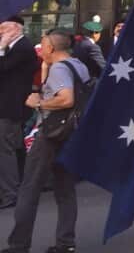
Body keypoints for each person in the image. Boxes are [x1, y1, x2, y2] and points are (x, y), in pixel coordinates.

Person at [4, 29, 89, 253]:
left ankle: (18, 244)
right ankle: (65, 242)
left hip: (50, 134)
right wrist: (44, 70)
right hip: (70, 133)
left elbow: (65, 98)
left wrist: (38, 103)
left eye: (42, 45)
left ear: (51, 48)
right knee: (65, 189)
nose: (40, 50)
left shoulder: (60, 68)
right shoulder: (77, 64)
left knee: (29, 189)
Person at [0, 18, 37, 209]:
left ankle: (10, 193)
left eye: (3, 28)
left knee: (5, 149)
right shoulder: (14, 48)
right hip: (10, 104)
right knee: (15, 146)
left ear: (15, 29)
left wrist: (0, 48)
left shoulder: (22, 48)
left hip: (10, 106)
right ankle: (20, 185)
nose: (0, 32)